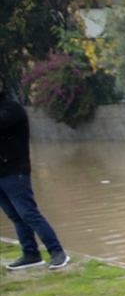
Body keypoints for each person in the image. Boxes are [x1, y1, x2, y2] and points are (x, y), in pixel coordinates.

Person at [0, 91, 69, 270]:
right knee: (15, 216)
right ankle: (31, 254)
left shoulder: (11, 109)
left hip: (15, 172)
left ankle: (57, 251)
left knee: (29, 214)